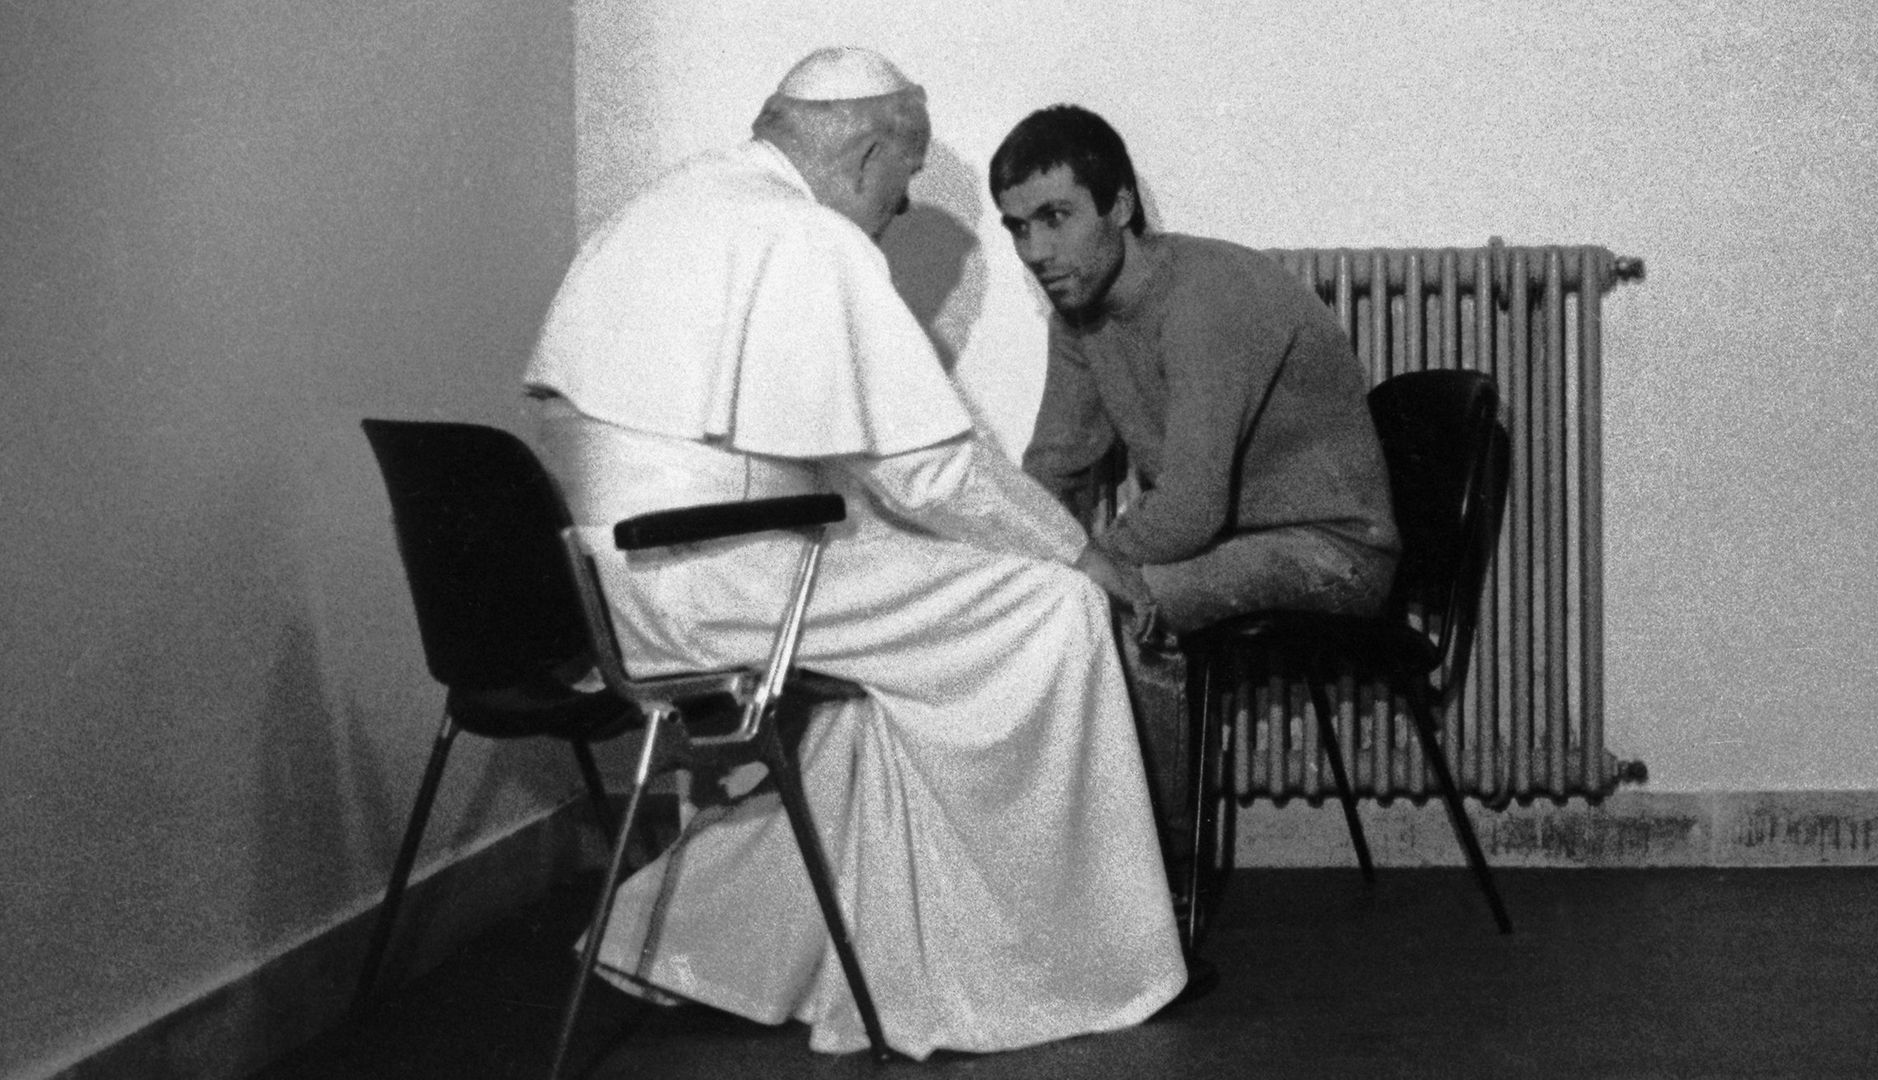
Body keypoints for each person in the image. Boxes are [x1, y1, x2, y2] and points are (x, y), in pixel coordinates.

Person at [521, 49, 1188, 1059]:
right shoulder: (803, 234)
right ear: (870, 151)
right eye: (906, 178)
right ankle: (1065, 968)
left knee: (901, 666)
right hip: (709, 577)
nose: (903, 200)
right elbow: (930, 468)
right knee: (1050, 606)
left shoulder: (676, 201)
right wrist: (1078, 554)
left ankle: (713, 941)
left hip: (626, 579)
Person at [988, 104, 1401, 886]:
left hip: (1333, 550)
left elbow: (1191, 507)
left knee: (1127, 606)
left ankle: (1159, 891)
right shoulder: (1080, 313)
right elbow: (1056, 467)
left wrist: (1088, 564)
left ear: (1119, 206)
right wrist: (1013, 561)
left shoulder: (1207, 296)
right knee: (1039, 599)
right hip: (1233, 541)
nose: (1036, 251)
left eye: (1056, 217)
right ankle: (1059, 874)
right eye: (1017, 229)